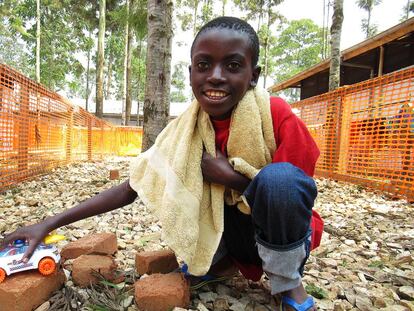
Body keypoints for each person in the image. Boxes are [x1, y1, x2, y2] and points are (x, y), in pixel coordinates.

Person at [1, 17, 322, 311]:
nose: (216, 76)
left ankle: (287, 283)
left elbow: (292, 194)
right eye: (204, 64)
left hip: (279, 235)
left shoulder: (275, 114)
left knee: (278, 181)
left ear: (253, 75)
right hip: (233, 234)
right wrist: (47, 224)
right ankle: (221, 261)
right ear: (191, 73)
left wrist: (235, 179)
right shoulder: (185, 131)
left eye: (233, 65)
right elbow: (132, 187)